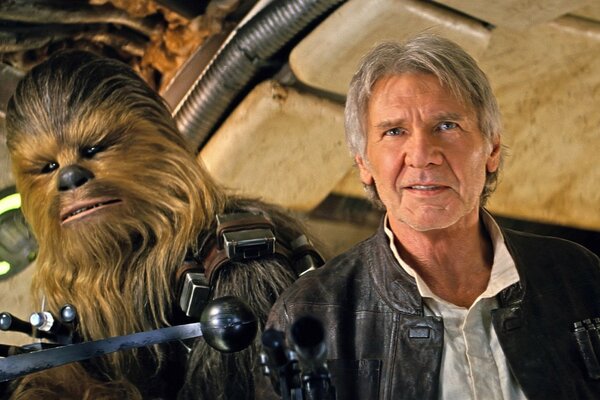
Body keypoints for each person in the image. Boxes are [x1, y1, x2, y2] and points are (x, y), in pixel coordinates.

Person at [265, 33, 600, 399]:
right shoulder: (309, 314)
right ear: (364, 164)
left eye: (446, 126)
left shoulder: (579, 275)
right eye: (394, 131)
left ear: (492, 149)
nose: (422, 155)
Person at [2, 50, 322, 400]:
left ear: (160, 144)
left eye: (93, 149)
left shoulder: (239, 262)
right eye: (47, 168)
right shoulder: (65, 298)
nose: (69, 177)